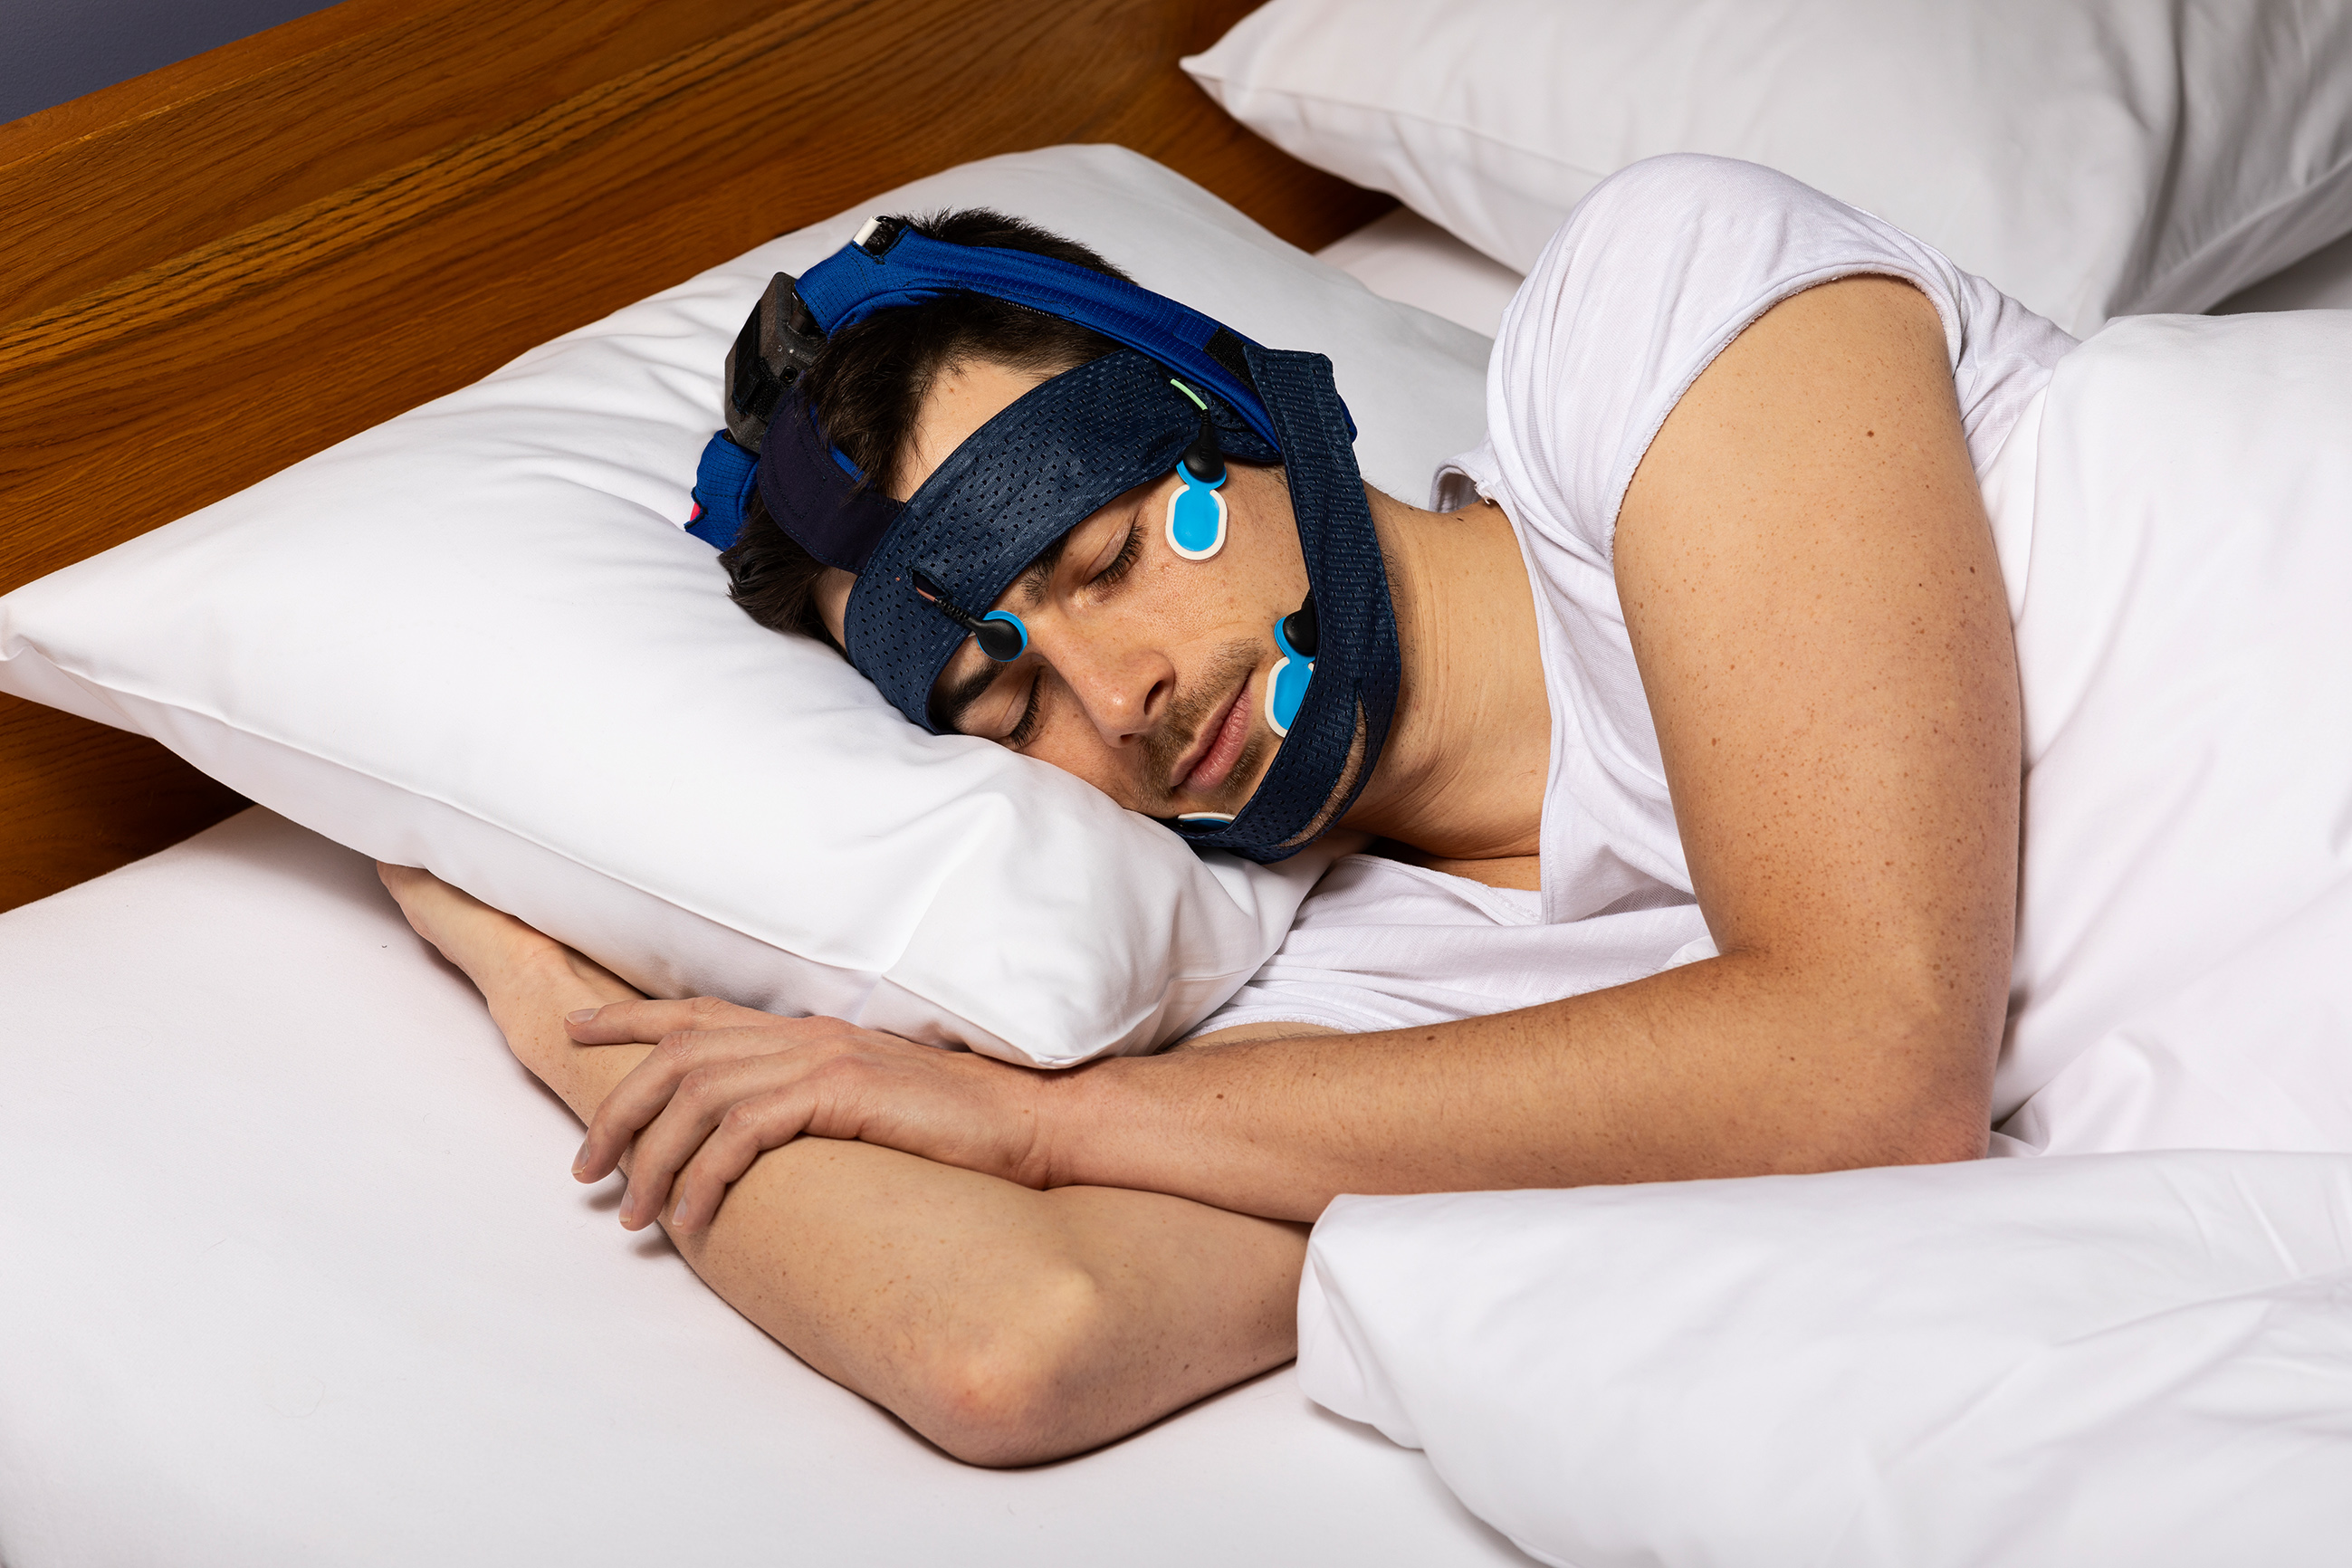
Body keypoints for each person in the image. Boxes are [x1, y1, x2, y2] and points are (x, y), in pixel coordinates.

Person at [381, 153, 2070, 1466]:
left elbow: (1870, 1055)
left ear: (1230, 404)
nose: (1116, 698)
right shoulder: (1361, 998)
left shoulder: (1659, 327)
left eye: (1110, 555)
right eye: (1003, 702)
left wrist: (1049, 1126)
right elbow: (1011, 1344)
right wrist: (544, 987)